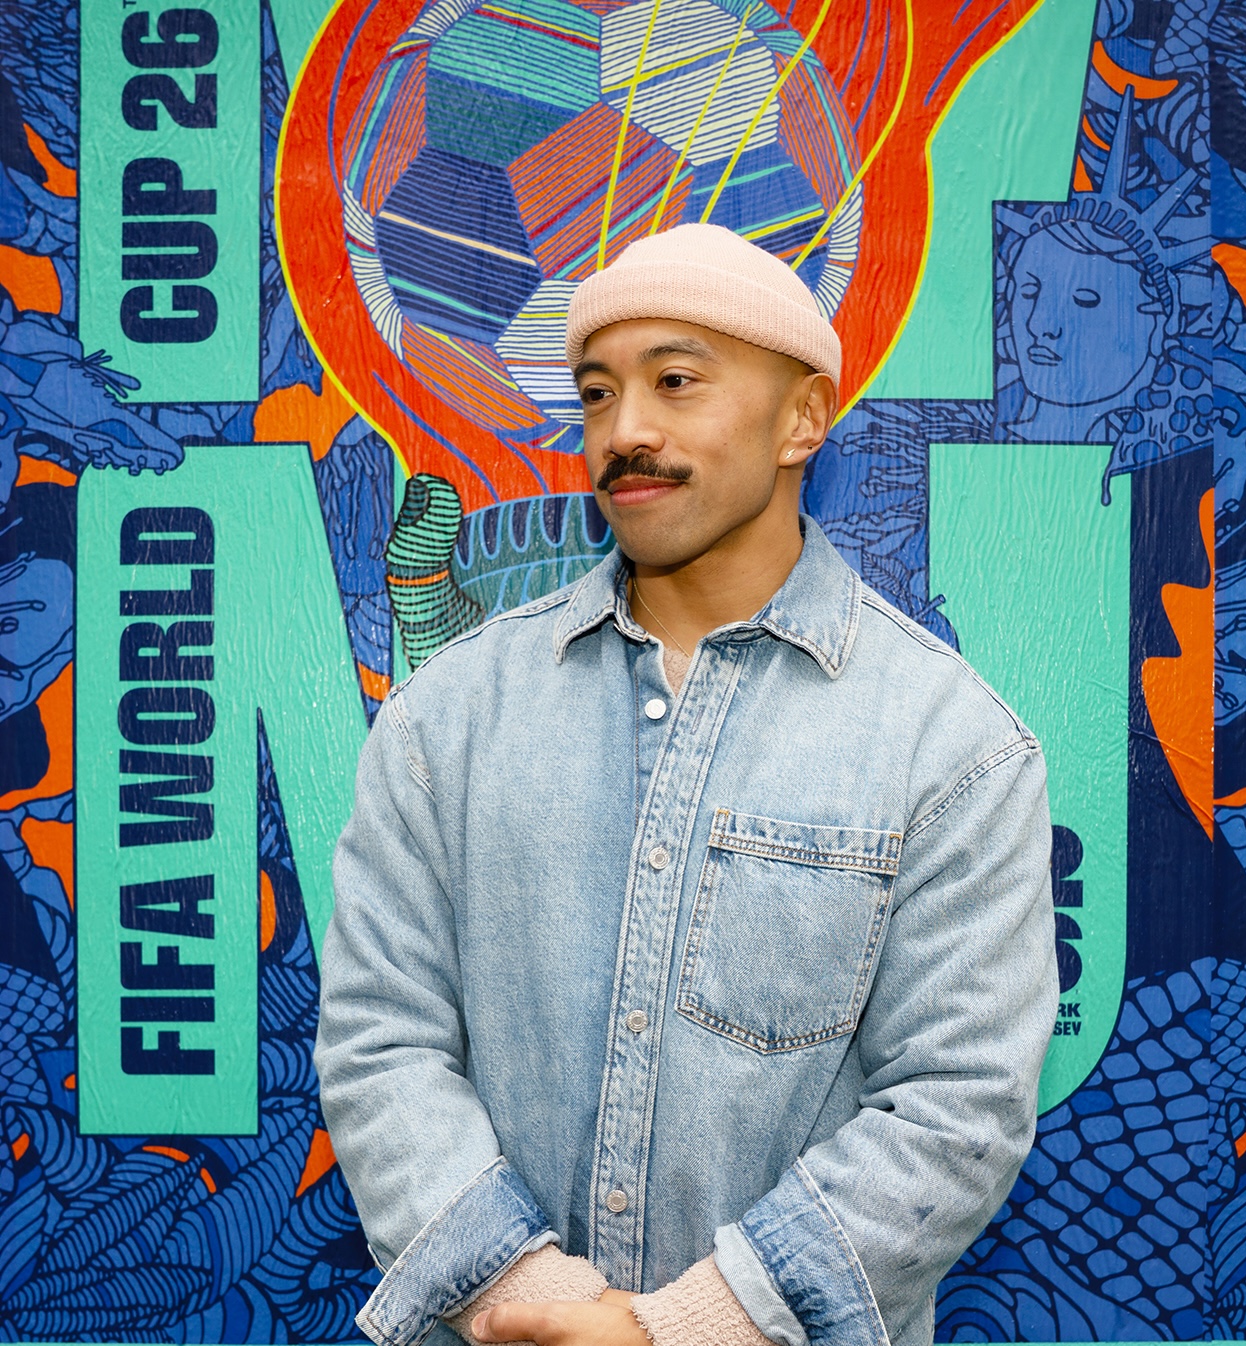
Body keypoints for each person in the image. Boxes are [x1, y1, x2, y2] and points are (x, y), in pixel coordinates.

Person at [314, 223, 1058, 1346]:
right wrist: (543, 1298)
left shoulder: (951, 745)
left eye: (676, 381)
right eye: (598, 394)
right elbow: (382, 1039)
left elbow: (958, 1106)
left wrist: (683, 1328)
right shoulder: (446, 717)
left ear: (803, 417)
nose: (627, 432)